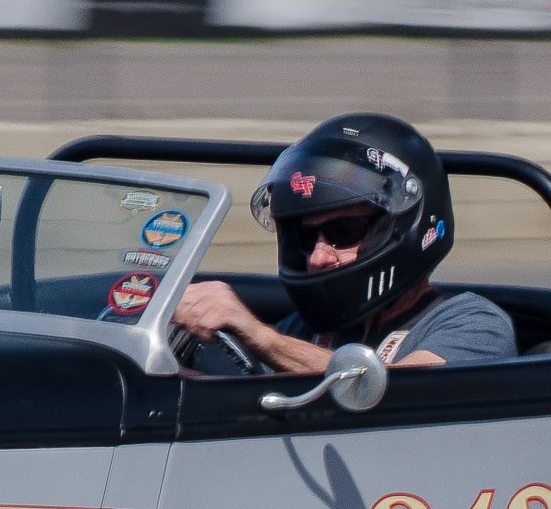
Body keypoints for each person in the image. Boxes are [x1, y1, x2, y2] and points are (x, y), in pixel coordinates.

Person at [172, 113, 517, 373]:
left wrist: (260, 336)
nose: (318, 257)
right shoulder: (305, 328)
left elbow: (397, 395)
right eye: (306, 237)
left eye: (344, 232)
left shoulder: (474, 324)